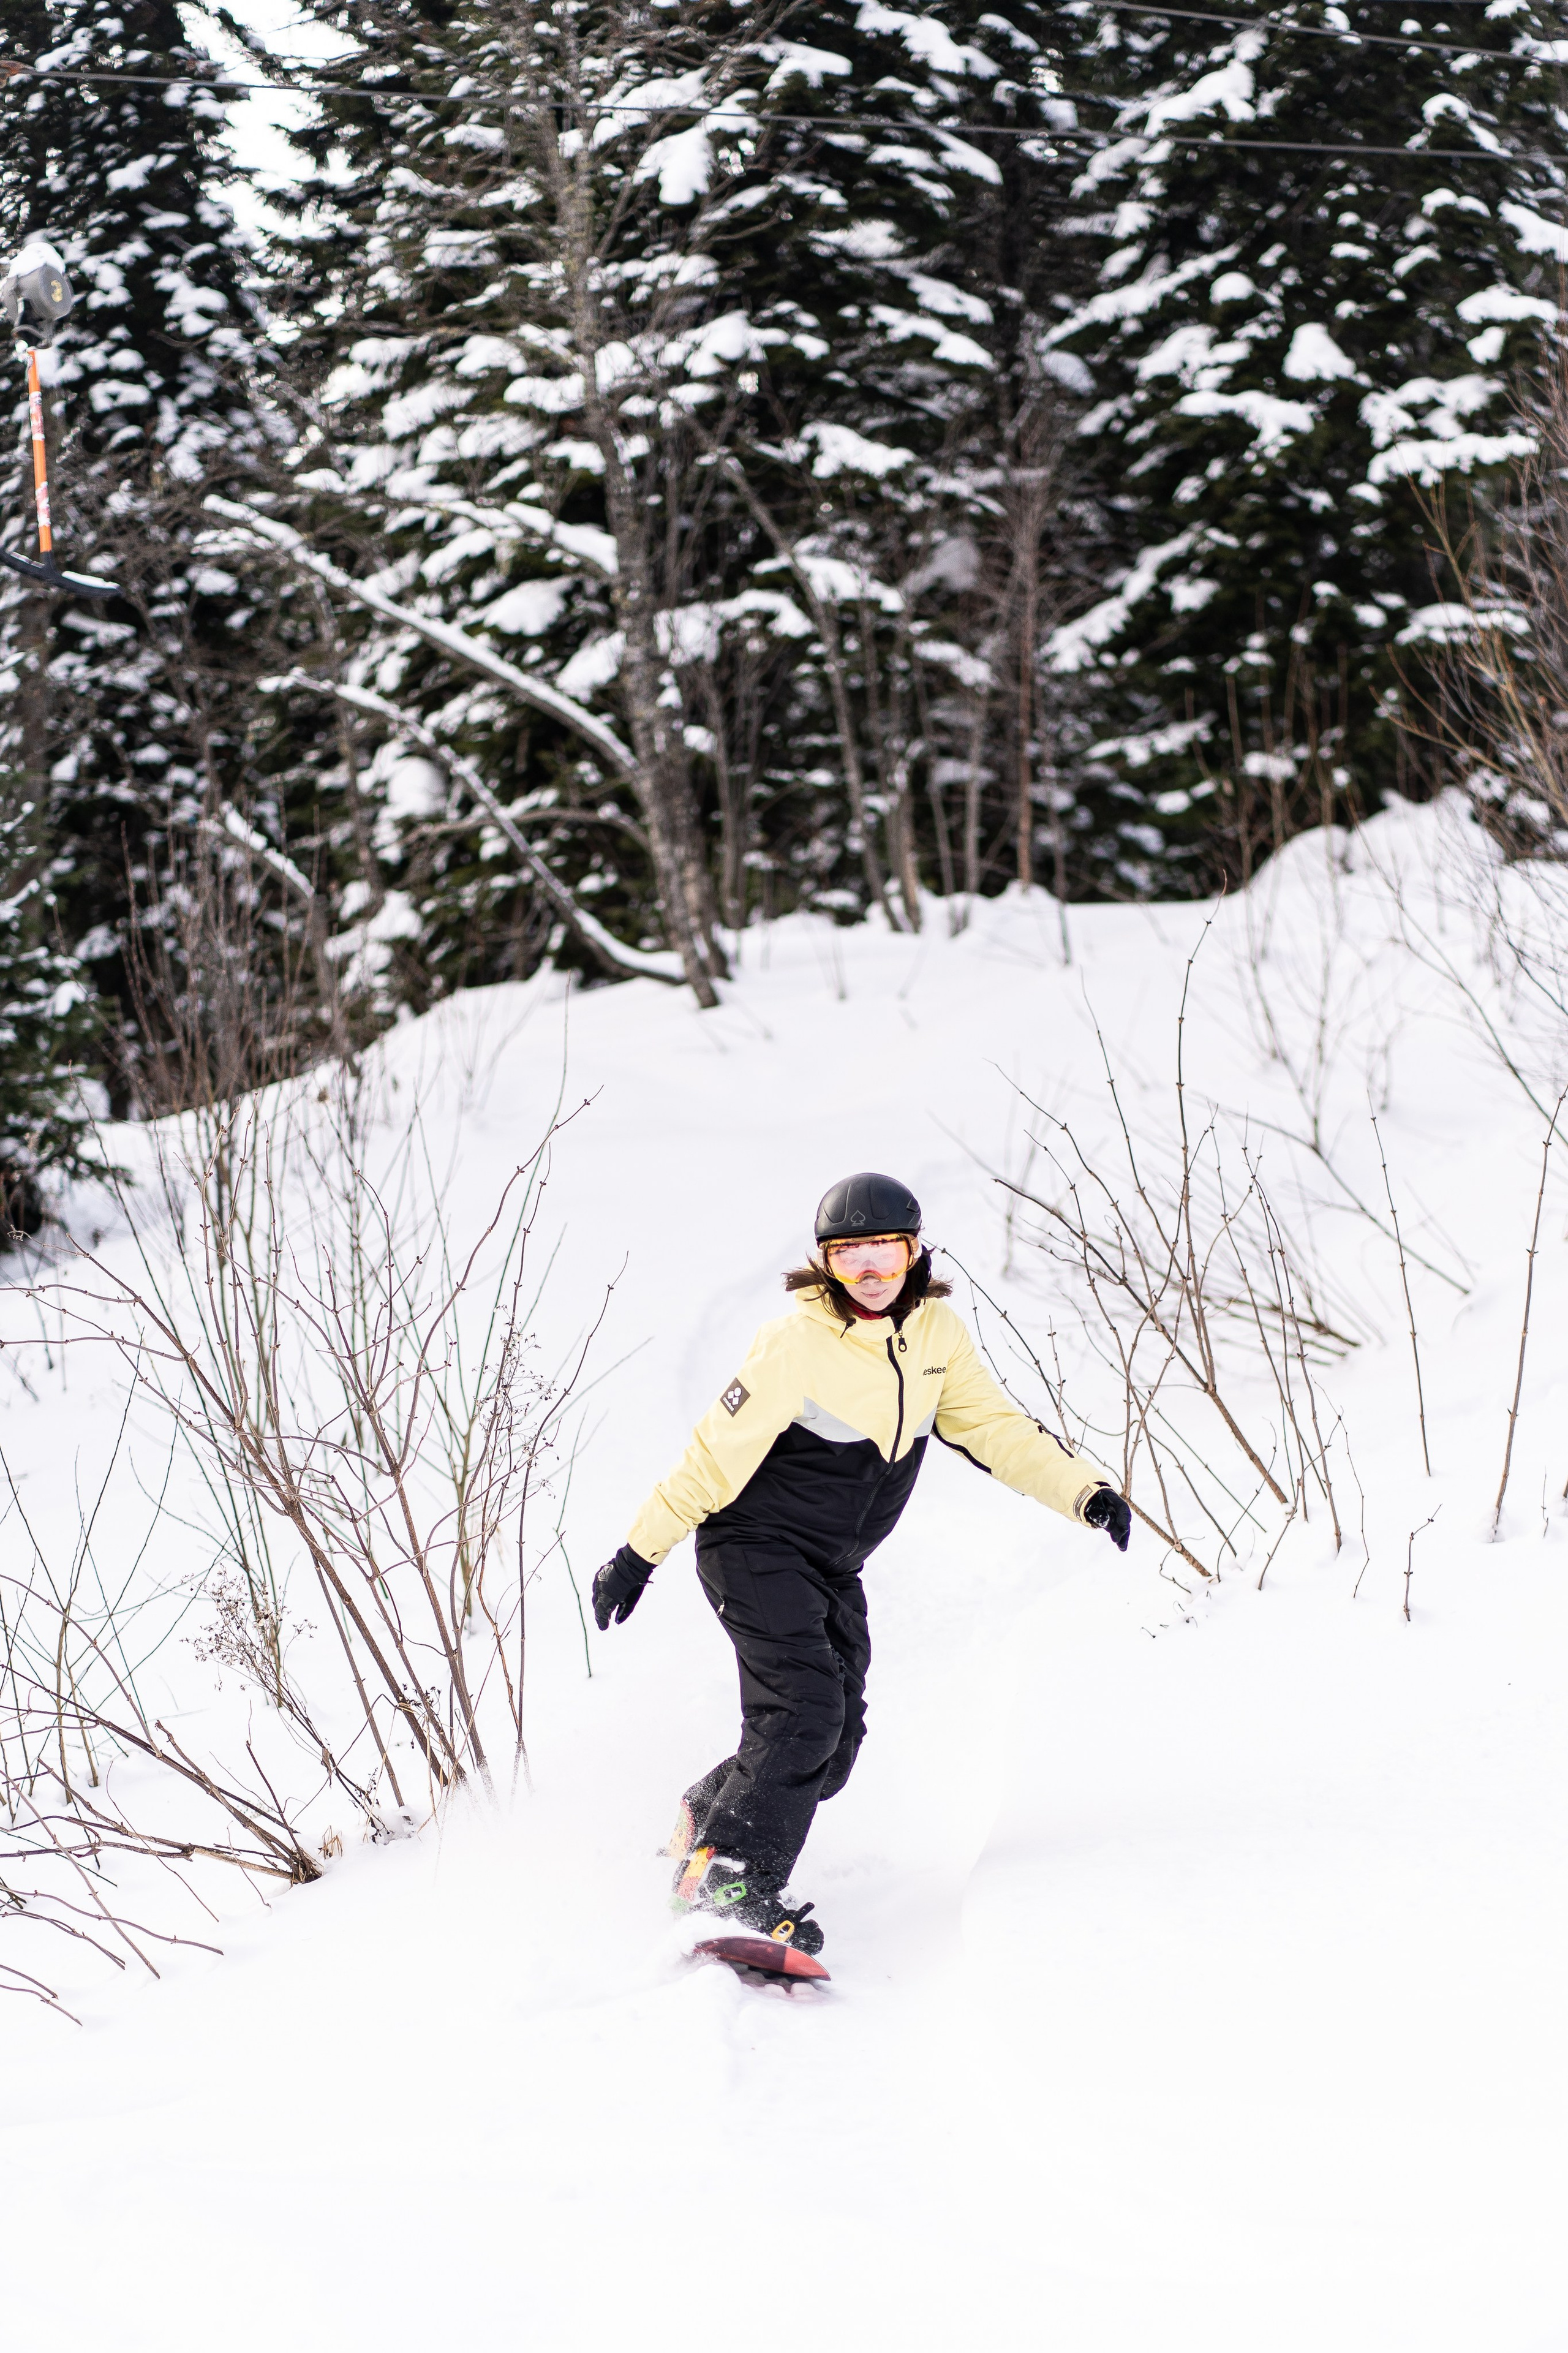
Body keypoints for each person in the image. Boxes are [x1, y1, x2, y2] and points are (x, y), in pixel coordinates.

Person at [592, 1171, 1131, 1958]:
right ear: (824, 1263)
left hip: (830, 1567)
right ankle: (730, 1884)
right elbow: (711, 1457)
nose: (871, 1273)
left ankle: (705, 1818)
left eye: (886, 1252)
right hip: (753, 1549)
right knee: (803, 1714)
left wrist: (1084, 1491)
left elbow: (993, 1427)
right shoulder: (795, 1345)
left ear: (915, 1253)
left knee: (832, 1744)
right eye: (850, 1257)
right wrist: (637, 1555)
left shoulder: (937, 1335)